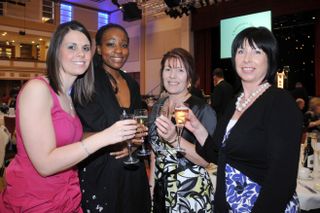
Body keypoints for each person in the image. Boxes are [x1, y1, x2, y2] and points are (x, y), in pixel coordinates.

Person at [0, 21, 137, 212]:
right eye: (71, 47)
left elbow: (68, 143)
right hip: (37, 198)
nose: (80, 53)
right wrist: (106, 136)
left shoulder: (68, 96)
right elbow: (45, 165)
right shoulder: (38, 89)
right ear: (56, 51)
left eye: (85, 48)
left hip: (68, 193)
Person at [186, 27, 303, 212]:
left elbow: (282, 179)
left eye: (257, 51)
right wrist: (197, 128)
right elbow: (220, 155)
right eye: (241, 51)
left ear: (270, 58)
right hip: (230, 203)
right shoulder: (236, 102)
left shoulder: (280, 102)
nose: (247, 59)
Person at [74, 23, 151, 213]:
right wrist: (122, 141)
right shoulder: (86, 80)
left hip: (132, 168)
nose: (119, 50)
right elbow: (79, 132)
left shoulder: (132, 83)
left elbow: (138, 123)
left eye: (124, 45)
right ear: (98, 48)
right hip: (101, 169)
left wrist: (139, 135)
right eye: (111, 44)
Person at [148, 48, 216, 212]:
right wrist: (151, 188)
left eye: (180, 70)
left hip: (191, 194)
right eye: (168, 69)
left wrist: (175, 139)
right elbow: (154, 154)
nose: (172, 76)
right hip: (161, 192)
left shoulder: (201, 110)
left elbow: (207, 161)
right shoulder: (157, 107)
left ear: (189, 78)